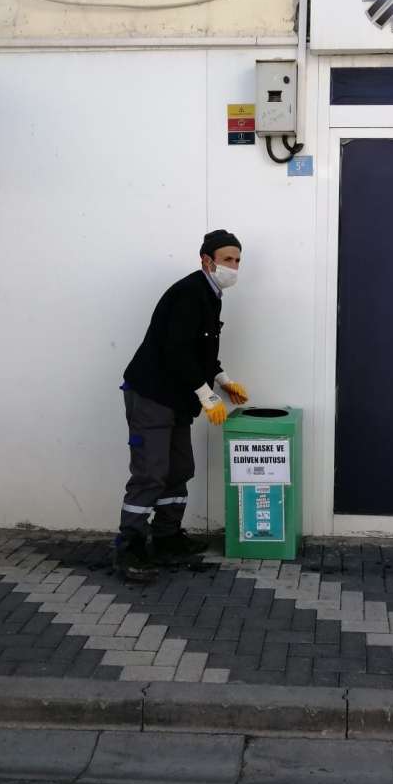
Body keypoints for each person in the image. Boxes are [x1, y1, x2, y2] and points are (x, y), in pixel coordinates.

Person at [115, 229, 248, 581]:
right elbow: (175, 350)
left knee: (179, 468)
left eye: (237, 260)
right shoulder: (190, 293)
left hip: (176, 397)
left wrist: (222, 380)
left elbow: (199, 349)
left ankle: (167, 537)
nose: (233, 266)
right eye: (227, 260)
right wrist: (206, 394)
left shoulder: (211, 293)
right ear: (207, 260)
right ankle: (129, 547)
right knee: (151, 472)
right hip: (152, 395)